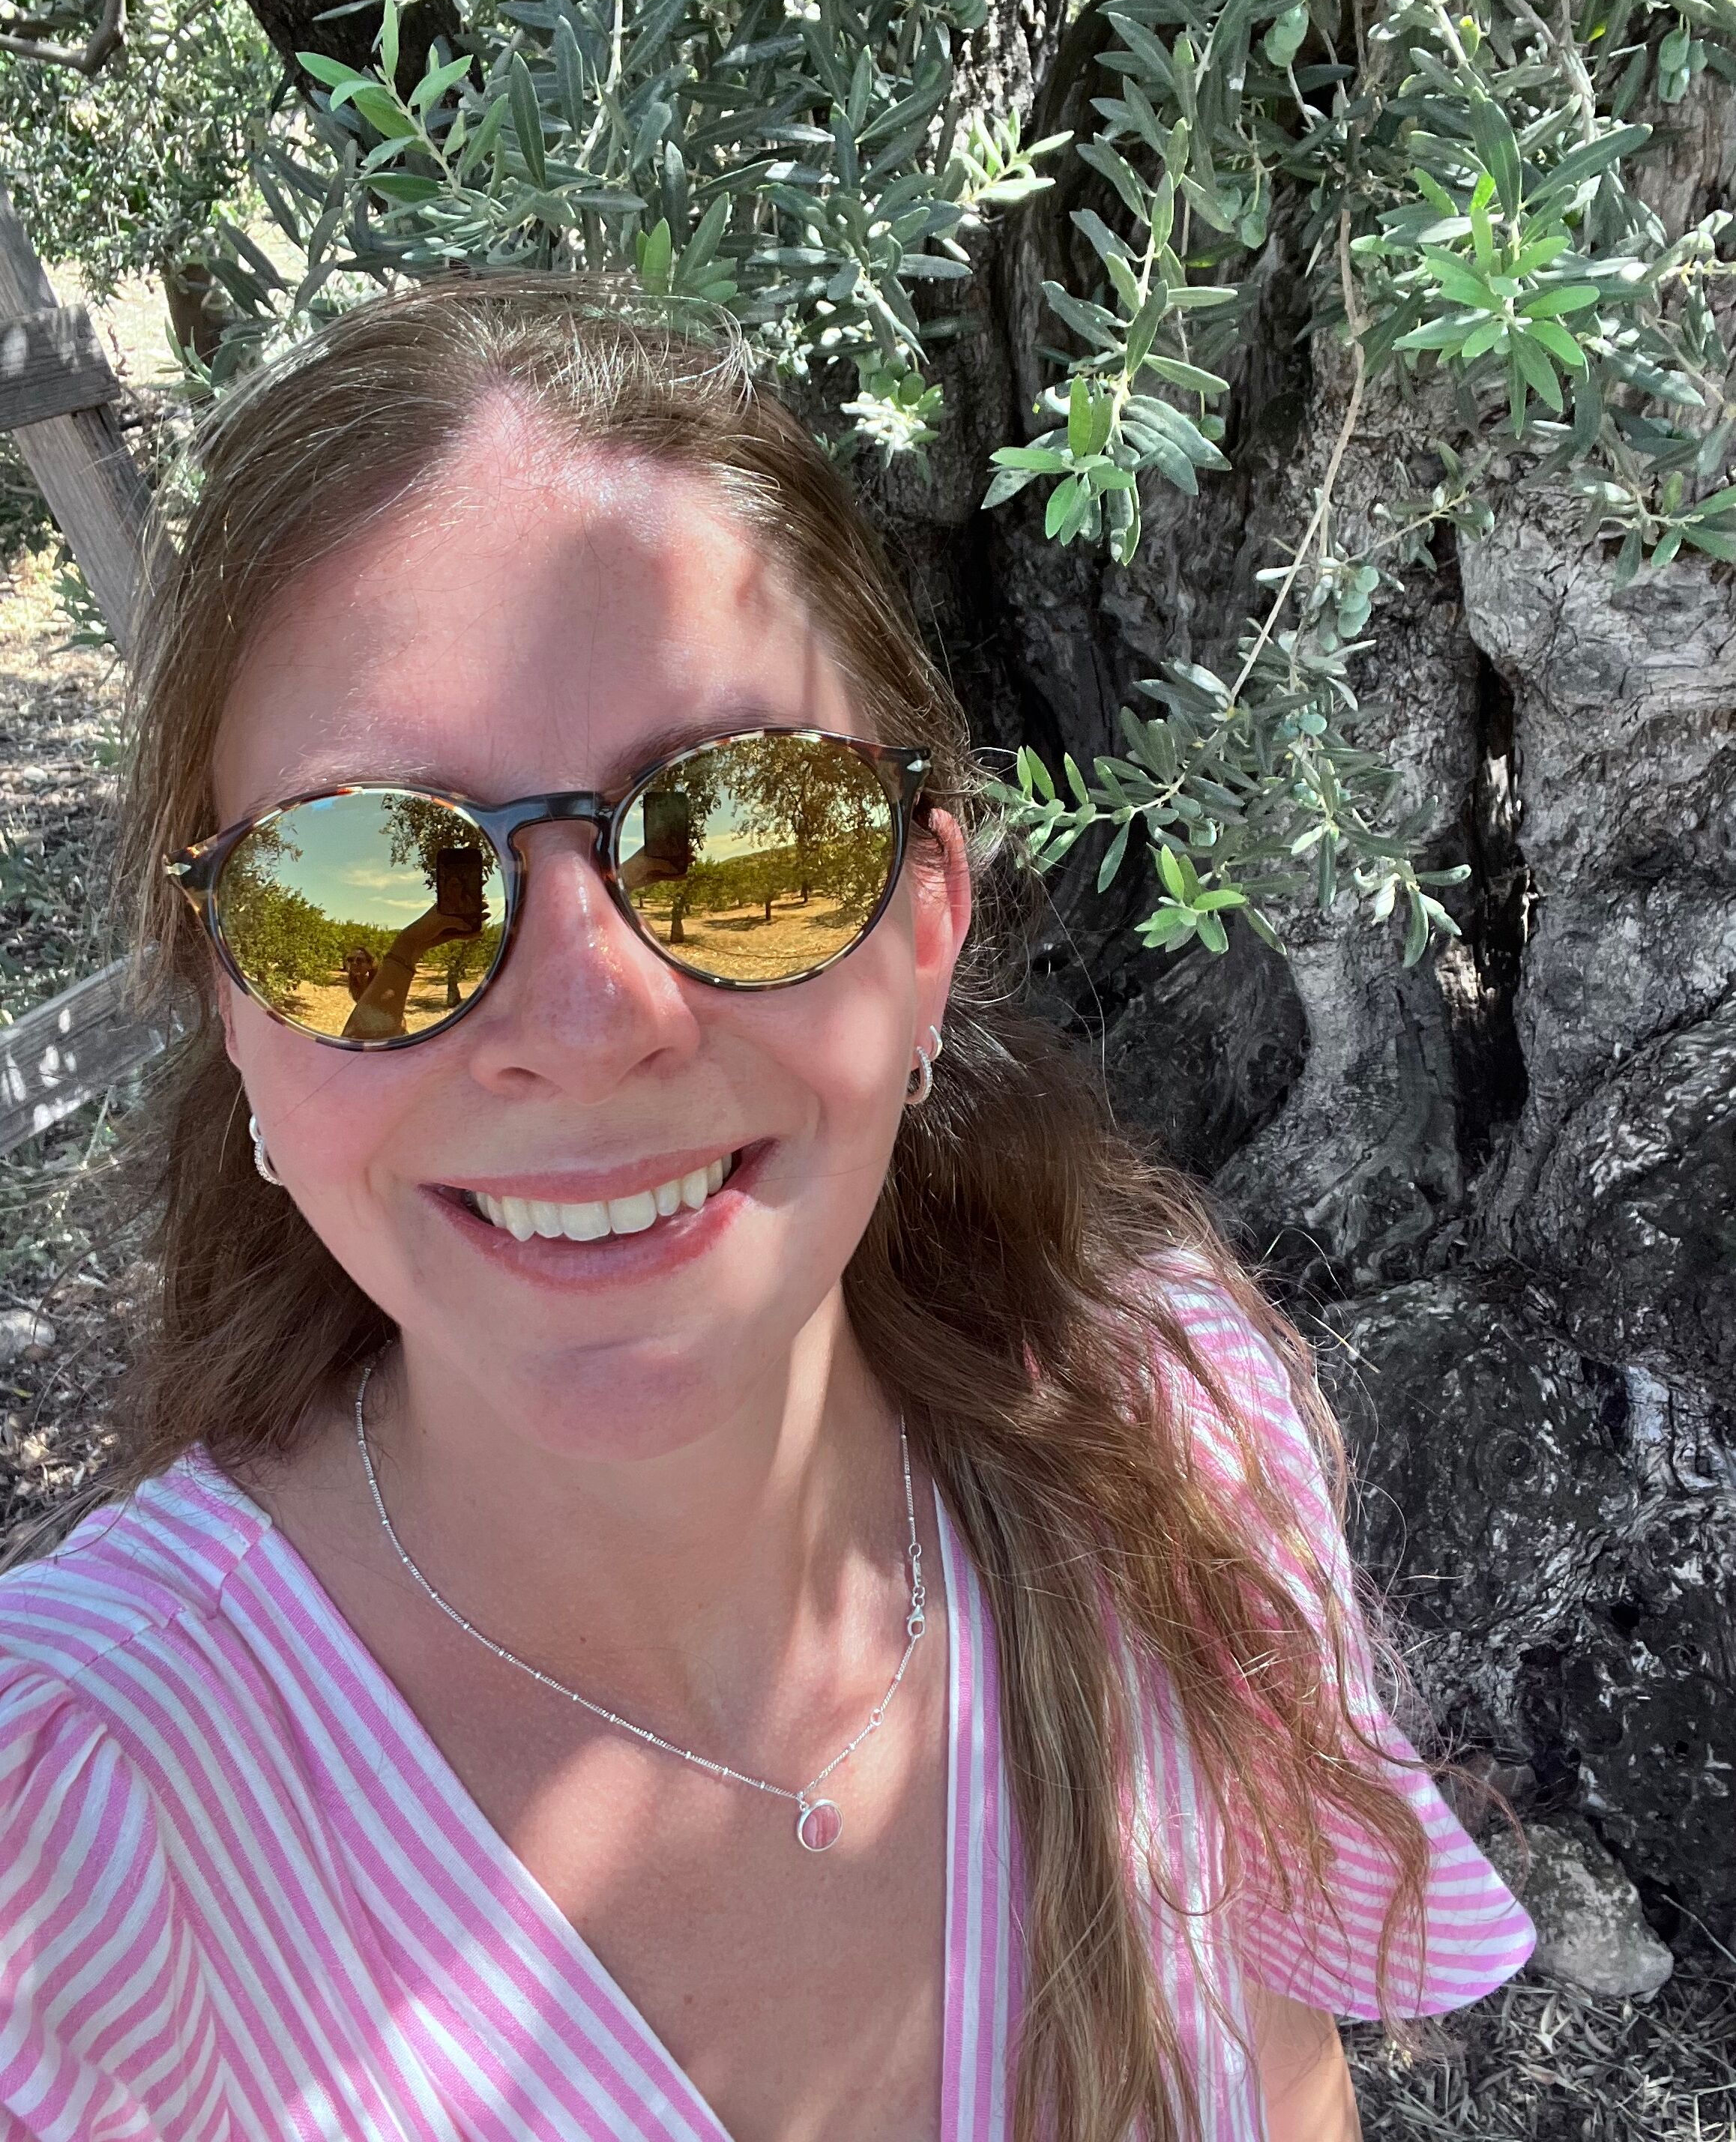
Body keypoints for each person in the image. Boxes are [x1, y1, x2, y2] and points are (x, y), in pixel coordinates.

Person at [0, 280, 1533, 2142]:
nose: (589, 1020)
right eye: (362, 882)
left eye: (745, 834)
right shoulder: (70, 1847)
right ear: (234, 1005)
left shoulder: (1166, 1442)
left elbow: (1289, 2088)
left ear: (929, 922)